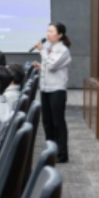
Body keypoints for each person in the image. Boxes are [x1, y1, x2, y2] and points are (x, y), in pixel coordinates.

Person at [33, 22, 72, 163]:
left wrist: (42, 51)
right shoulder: (49, 49)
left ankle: (62, 154)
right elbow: (48, 65)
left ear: (60, 35)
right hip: (45, 88)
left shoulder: (63, 50)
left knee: (58, 122)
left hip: (57, 90)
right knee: (47, 122)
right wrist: (41, 66)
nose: (48, 34)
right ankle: (50, 150)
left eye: (51, 31)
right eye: (47, 31)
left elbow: (52, 65)